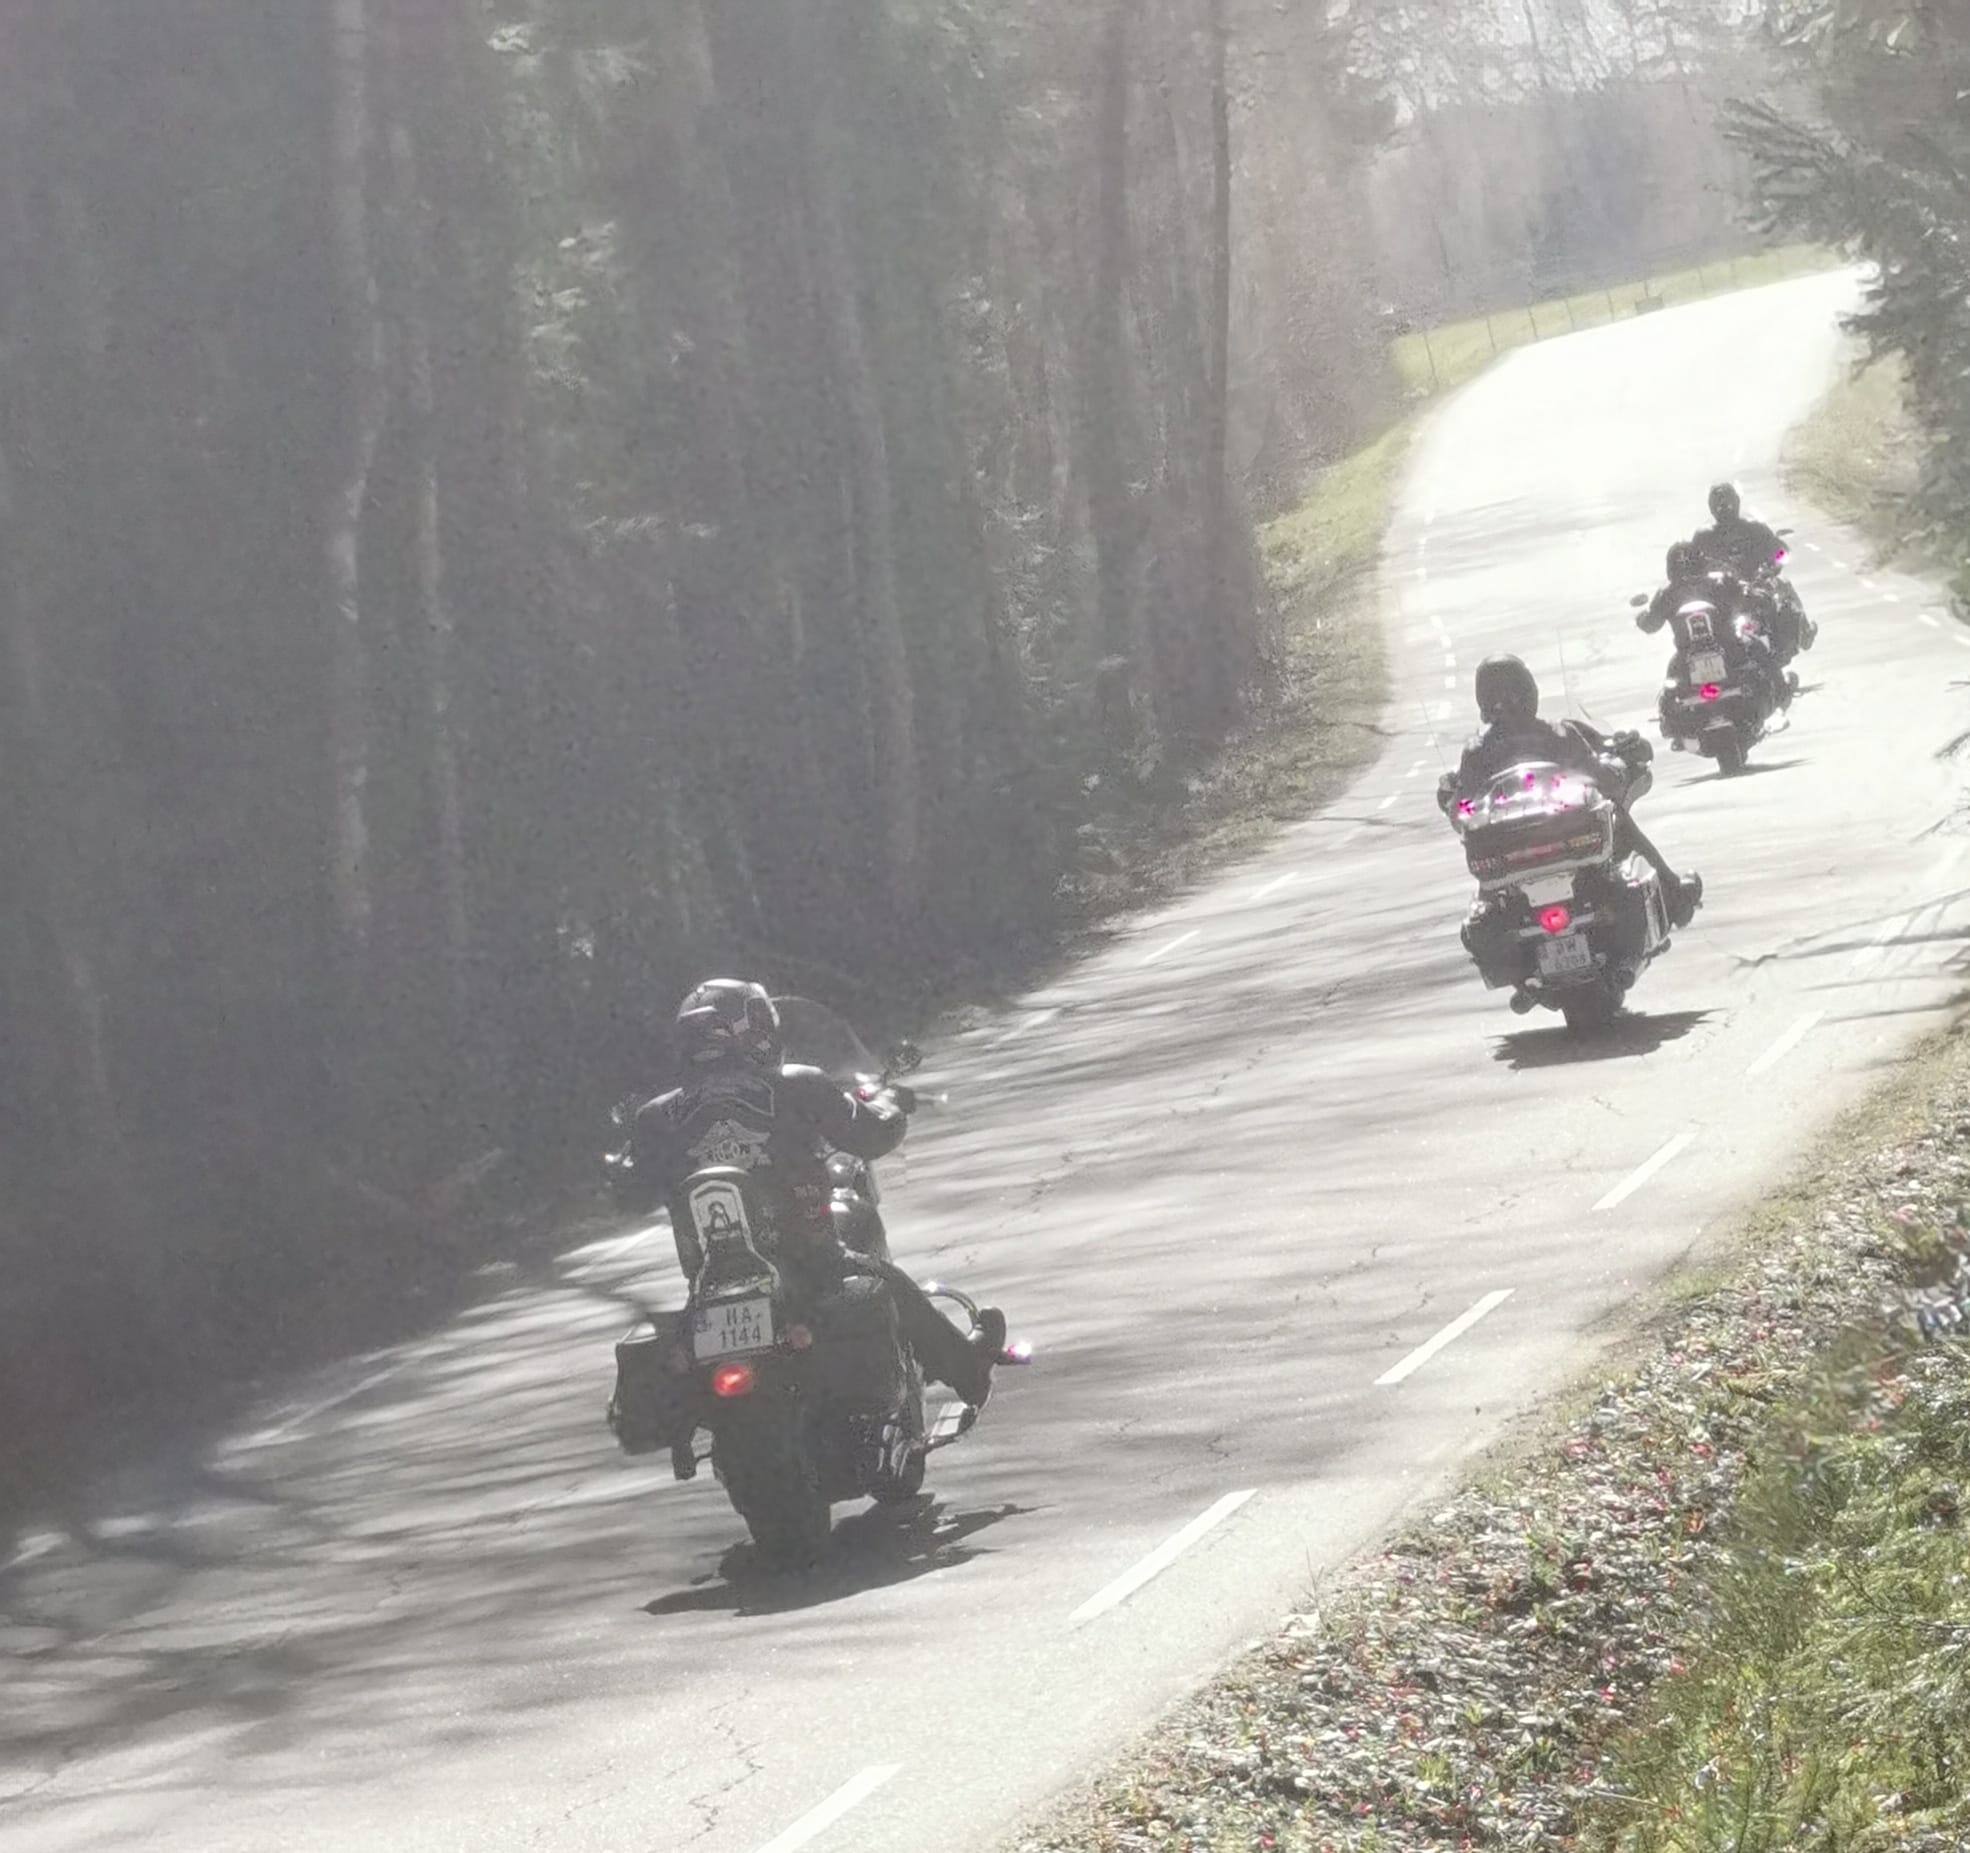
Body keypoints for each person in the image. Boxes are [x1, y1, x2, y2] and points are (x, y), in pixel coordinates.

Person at [627, 979, 1009, 1411]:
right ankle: (967, 1369)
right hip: (808, 1262)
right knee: (888, 1281)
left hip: (709, 1281)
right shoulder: (797, 1084)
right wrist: (889, 1105)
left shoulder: (655, 1117)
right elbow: (873, 1136)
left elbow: (632, 1194)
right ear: (755, 1031)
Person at [1438, 655, 1702, 929]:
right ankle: (1675, 895)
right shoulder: (1558, 734)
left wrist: (1453, 800)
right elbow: (1601, 777)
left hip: (1508, 858)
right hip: (1568, 841)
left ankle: (1672, 894)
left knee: (1486, 878)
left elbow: (1463, 807)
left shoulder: (1476, 751)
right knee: (1616, 817)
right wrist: (1619, 769)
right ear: (1530, 691)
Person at [1639, 540, 1786, 711]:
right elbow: (1745, 599)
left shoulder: (1666, 594)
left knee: (1670, 688)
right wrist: (1756, 595)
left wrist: (1642, 618)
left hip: (1687, 655)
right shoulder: (1719, 582)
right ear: (1701, 560)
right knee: (1760, 652)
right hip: (1729, 648)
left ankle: (1779, 695)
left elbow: (1650, 625)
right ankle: (1781, 695)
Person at [1692, 482, 1811, 660]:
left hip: (1756, 583)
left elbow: (1778, 550)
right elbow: (1692, 564)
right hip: (1721, 592)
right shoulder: (1704, 536)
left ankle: (1802, 633)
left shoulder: (1754, 528)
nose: (1725, 508)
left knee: (1783, 587)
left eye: (1728, 503)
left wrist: (1775, 563)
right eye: (1720, 504)